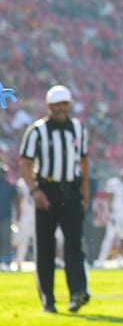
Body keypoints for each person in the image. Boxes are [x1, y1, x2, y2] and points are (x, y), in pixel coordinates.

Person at [17, 84, 90, 313]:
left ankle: (78, 292)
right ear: (48, 106)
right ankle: (48, 298)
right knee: (46, 247)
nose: (61, 108)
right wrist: (34, 190)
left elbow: (85, 163)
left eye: (64, 104)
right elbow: (25, 163)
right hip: (47, 192)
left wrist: (85, 193)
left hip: (70, 191)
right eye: (56, 105)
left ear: (69, 105)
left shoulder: (78, 129)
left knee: (74, 245)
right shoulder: (37, 130)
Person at [95, 168, 123, 269]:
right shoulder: (114, 184)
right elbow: (110, 199)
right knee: (109, 238)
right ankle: (101, 260)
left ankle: (120, 261)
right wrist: (111, 214)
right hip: (116, 214)